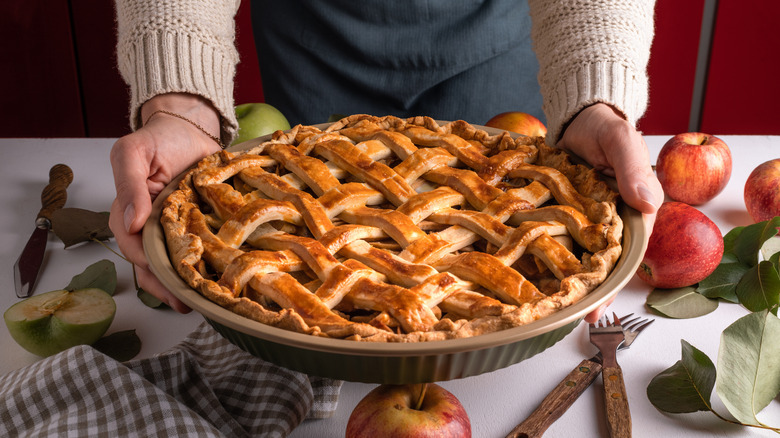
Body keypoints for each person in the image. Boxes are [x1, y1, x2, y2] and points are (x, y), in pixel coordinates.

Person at [109, 0, 663, 321]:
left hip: (497, 93)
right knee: (301, 224)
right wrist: (181, 105)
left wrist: (593, 98)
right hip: (313, 57)